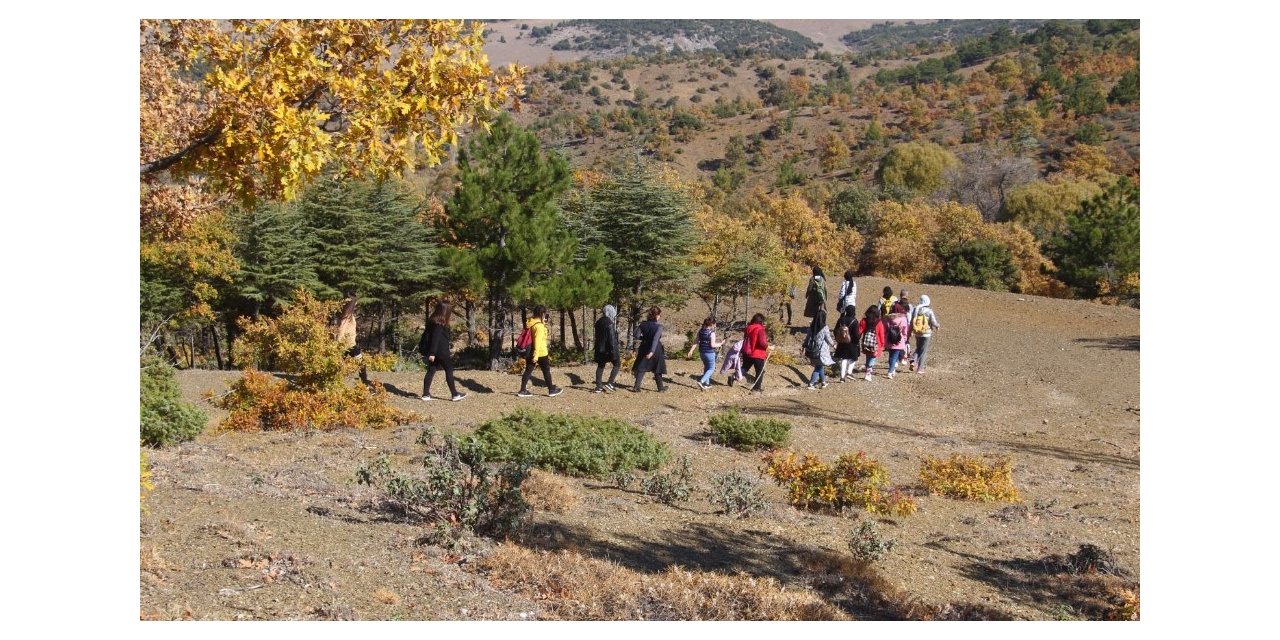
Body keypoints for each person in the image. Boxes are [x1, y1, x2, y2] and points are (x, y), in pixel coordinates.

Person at [417, 301, 467, 402]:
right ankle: (455, 394)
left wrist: (431, 353)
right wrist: (432, 353)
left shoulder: (432, 321)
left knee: (431, 371)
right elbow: (435, 338)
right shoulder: (439, 323)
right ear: (445, 311)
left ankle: (426, 394)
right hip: (441, 352)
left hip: (435, 352)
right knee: (449, 370)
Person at [517, 305, 562, 398]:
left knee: (528, 371)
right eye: (544, 313)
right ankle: (551, 390)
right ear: (542, 314)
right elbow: (537, 341)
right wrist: (536, 356)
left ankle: (522, 390)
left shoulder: (532, 322)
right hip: (540, 353)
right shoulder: (539, 326)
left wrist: (543, 323)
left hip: (531, 351)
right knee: (546, 371)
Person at [632, 307, 668, 392]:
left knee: (641, 367)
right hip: (656, 349)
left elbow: (636, 335)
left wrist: (644, 338)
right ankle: (661, 388)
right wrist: (652, 351)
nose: (660, 316)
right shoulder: (659, 327)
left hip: (644, 346)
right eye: (659, 315)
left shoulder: (643, 324)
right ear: (657, 315)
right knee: (657, 368)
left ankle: (636, 387)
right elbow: (655, 339)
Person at [687, 317, 724, 390]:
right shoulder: (711, 333)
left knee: (707, 367)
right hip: (709, 353)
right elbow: (712, 345)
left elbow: (696, 342)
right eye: (715, 324)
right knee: (711, 368)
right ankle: (701, 381)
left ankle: (706, 384)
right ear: (712, 324)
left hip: (702, 353)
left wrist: (691, 351)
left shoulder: (700, 331)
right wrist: (720, 344)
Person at [804, 309, 836, 390]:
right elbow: (828, 339)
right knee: (818, 367)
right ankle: (811, 383)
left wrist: (804, 346)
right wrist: (834, 345)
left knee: (820, 366)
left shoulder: (811, 327)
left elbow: (807, 338)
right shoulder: (825, 327)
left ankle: (823, 382)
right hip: (821, 352)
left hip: (812, 350)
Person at [742, 312, 774, 392]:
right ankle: (756, 388)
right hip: (757, 354)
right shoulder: (760, 329)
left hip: (747, 352)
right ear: (761, 321)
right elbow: (762, 343)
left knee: (745, 368)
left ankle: (734, 377)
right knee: (760, 371)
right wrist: (769, 347)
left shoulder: (748, 327)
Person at [909, 294, 941, 374]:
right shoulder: (929, 310)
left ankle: (913, 360)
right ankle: (920, 368)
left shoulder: (916, 309)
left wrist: (911, 330)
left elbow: (912, 320)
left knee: (918, 348)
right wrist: (937, 325)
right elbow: (933, 322)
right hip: (926, 333)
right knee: (923, 351)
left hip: (917, 332)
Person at [592, 304, 620, 393]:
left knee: (600, 365)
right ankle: (610, 383)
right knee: (617, 364)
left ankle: (598, 386)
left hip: (599, 348)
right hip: (608, 349)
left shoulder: (598, 322)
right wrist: (614, 352)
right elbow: (612, 339)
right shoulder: (610, 323)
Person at [857, 305, 887, 381]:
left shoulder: (864, 320)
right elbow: (881, 334)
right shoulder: (879, 322)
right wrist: (883, 344)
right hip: (875, 343)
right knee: (873, 357)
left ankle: (868, 369)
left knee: (868, 355)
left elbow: (860, 331)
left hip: (866, 342)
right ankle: (868, 373)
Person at [884, 301, 911, 380]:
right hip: (899, 340)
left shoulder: (888, 318)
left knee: (891, 356)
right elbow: (905, 331)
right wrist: (905, 339)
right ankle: (890, 371)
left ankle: (892, 370)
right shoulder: (903, 318)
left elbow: (885, 328)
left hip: (889, 339)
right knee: (895, 356)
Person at [833, 304, 860, 381]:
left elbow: (835, 330)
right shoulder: (854, 321)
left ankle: (842, 377)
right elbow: (856, 335)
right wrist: (857, 341)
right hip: (852, 343)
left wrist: (839, 338)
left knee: (844, 359)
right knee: (854, 358)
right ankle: (849, 372)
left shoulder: (841, 319)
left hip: (842, 342)